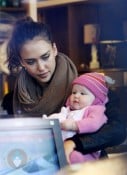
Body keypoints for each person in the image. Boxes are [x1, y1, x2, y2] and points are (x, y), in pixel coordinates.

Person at [7, 16, 126, 164]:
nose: (41, 67)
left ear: (54, 49)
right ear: (21, 61)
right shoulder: (12, 100)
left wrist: (74, 143)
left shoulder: (89, 87)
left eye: (45, 57)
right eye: (31, 62)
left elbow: (118, 130)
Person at [43, 72, 115, 164]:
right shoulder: (68, 110)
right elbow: (59, 118)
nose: (76, 95)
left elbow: (94, 123)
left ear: (96, 99)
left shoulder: (95, 109)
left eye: (82, 93)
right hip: (62, 146)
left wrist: (74, 125)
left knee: (73, 157)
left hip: (86, 152)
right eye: (74, 92)